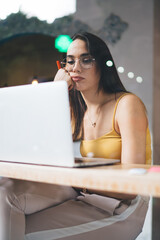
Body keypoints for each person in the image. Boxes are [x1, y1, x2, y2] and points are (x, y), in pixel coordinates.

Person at [0, 32, 151, 240]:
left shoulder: (126, 105)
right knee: (5, 192)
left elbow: (131, 188)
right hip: (84, 192)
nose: (75, 68)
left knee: (21, 230)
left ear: (103, 65)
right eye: (70, 62)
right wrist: (57, 91)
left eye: (86, 60)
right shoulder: (75, 108)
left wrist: (80, 181)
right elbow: (39, 147)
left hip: (121, 207)